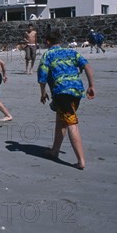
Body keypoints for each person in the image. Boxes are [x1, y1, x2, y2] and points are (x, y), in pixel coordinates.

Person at [38, 30, 96, 170]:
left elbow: (42, 76)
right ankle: (54, 151)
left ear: (47, 42)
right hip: (76, 91)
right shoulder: (71, 52)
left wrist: (42, 92)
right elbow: (87, 66)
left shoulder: (47, 54)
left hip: (61, 92)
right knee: (61, 121)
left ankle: (81, 161)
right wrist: (91, 86)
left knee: (71, 123)